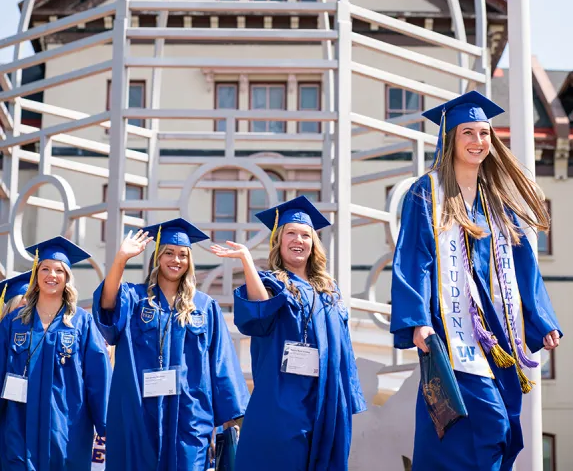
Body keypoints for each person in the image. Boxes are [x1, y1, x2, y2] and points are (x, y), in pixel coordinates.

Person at [391, 90, 562, 471]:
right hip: (452, 331)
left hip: (498, 332)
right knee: (480, 421)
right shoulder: (428, 192)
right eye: (467, 132)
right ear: (450, 139)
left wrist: (542, 318)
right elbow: (414, 258)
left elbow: (523, 263)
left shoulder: (495, 200)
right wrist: (416, 319)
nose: (477, 141)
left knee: (500, 426)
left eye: (484, 133)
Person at [211, 195, 367, 471]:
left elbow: (345, 349)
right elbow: (258, 312)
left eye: (305, 235)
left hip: (325, 399)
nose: (298, 240)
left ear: (313, 243)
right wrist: (247, 261)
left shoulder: (329, 291)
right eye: (290, 233)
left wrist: (347, 398)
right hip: (282, 401)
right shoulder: (272, 282)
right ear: (279, 242)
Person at [92, 218, 249, 471]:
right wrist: (121, 258)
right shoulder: (135, 298)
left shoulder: (204, 306)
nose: (176, 260)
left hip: (190, 412)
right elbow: (108, 306)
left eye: (182, 255)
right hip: (141, 409)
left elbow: (220, 361)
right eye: (169, 253)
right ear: (157, 258)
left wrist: (229, 421)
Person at [0, 236, 111, 471]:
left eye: (59, 270)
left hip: (67, 427)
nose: (52, 275)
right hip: (19, 425)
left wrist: (107, 427)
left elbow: (98, 378)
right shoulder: (13, 323)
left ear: (67, 277)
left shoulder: (82, 323)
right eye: (45, 268)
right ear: (36, 275)